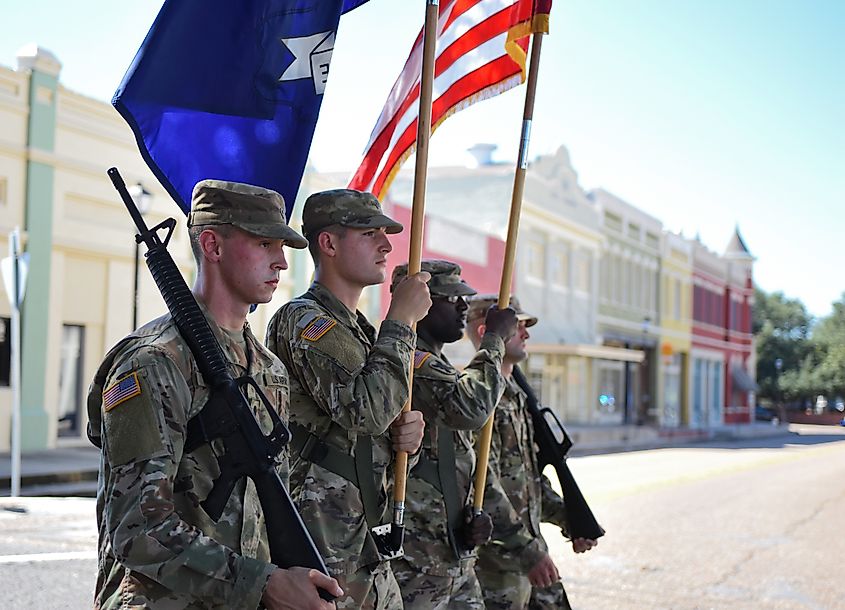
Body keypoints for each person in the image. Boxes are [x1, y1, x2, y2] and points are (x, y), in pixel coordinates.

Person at [86, 180, 342, 609]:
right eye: (264, 244)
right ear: (213, 245)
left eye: (282, 247)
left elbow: (267, 508)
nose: (281, 262)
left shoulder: (268, 370)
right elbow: (137, 528)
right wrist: (263, 583)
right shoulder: (154, 362)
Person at [265, 189, 429, 610]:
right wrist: (402, 318)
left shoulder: (358, 330)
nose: (387, 245)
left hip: (365, 545)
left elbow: (377, 427)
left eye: (386, 234)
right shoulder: (303, 320)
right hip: (324, 546)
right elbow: (367, 410)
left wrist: (405, 439)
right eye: (369, 233)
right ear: (329, 244)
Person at [387, 261, 518, 609]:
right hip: (417, 560)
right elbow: (472, 408)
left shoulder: (441, 366)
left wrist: (472, 515)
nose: (463, 306)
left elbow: (458, 461)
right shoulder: (413, 362)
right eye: (451, 298)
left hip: (450, 551)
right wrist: (494, 339)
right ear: (420, 301)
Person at [465, 295, 599, 610]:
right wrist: (527, 550)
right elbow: (481, 484)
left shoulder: (517, 397)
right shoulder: (478, 399)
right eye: (518, 326)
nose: (526, 334)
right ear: (489, 331)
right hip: (498, 566)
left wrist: (570, 518)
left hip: (531, 558)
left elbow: (528, 478)